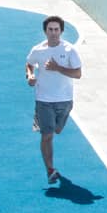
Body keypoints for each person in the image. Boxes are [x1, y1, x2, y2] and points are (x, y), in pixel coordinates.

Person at [25, 15, 82, 185]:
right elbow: (29, 63)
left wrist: (58, 68)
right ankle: (50, 169)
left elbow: (77, 74)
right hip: (43, 99)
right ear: (45, 31)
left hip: (64, 100)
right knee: (47, 135)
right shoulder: (38, 50)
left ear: (61, 31)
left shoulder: (69, 50)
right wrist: (30, 75)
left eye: (56, 29)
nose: (53, 33)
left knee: (57, 130)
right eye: (50, 29)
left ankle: (51, 165)